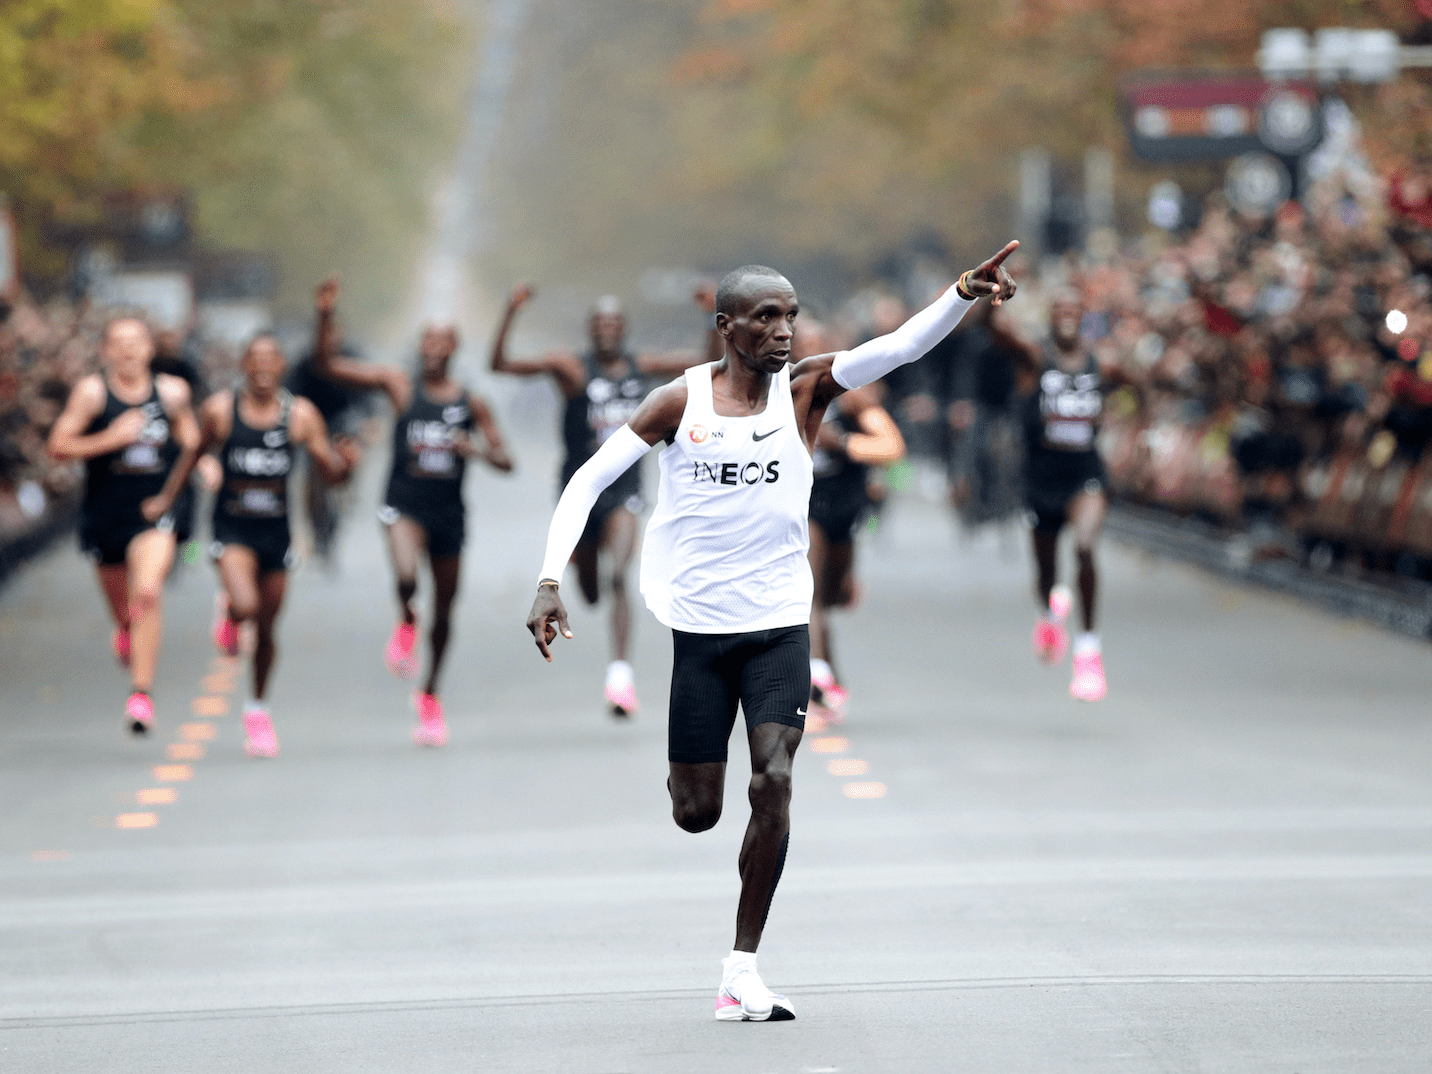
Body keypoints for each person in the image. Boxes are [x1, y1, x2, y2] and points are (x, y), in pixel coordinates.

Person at [525, 244, 1018, 1021]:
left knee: (775, 778)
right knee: (698, 811)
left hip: (781, 624)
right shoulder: (676, 405)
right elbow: (588, 480)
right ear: (725, 327)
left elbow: (898, 348)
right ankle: (692, 781)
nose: (783, 329)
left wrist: (962, 293)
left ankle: (741, 969)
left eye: (789, 315)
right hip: (700, 630)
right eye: (764, 317)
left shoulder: (808, 391)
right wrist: (551, 579)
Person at [490, 284, 718, 717]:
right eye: (598, 323)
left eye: (613, 323)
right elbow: (500, 365)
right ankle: (581, 561)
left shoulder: (641, 366)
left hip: (625, 489)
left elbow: (705, 367)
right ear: (590, 331)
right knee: (592, 592)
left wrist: (710, 319)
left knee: (619, 578)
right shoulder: (571, 368)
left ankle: (620, 676)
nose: (606, 330)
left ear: (623, 330)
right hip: (582, 488)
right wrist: (509, 312)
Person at [312, 278, 513, 746]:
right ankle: (406, 618)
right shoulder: (399, 387)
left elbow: (507, 460)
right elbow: (328, 366)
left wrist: (476, 450)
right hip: (403, 504)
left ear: (454, 350)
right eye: (427, 340)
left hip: (449, 514)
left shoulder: (470, 401)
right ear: (419, 347)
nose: (433, 348)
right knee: (406, 576)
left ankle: (430, 695)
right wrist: (325, 315)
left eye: (442, 342)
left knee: (445, 612)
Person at [173, 333, 355, 757]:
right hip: (231, 528)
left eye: (270, 361)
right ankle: (231, 610)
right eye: (254, 360)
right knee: (247, 605)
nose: (262, 369)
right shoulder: (220, 410)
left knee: (269, 629)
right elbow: (191, 457)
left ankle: (257, 710)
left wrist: (345, 467)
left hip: (276, 532)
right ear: (243, 365)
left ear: (281, 367)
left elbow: (329, 473)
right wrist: (166, 501)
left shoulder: (300, 416)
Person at [47, 315, 200, 734]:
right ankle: (126, 631)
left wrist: (198, 466)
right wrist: (110, 439)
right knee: (126, 611)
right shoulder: (92, 393)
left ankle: (141, 695)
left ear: (150, 349)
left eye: (137, 342)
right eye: (119, 343)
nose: (129, 350)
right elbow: (58, 445)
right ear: (106, 351)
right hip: (106, 512)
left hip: (153, 512)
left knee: (147, 591)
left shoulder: (172, 393)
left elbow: (190, 438)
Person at [995, 288, 1130, 702]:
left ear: (1083, 317)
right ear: (1051, 318)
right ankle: (1049, 614)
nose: (1068, 316)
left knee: (1086, 548)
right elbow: (996, 335)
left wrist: (1127, 425)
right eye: (1061, 310)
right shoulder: (1036, 359)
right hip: (1041, 476)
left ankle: (1089, 650)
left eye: (1075, 310)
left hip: (1085, 471)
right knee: (1047, 568)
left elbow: (1138, 386)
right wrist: (987, 298)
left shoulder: (1101, 363)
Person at [798, 320, 905, 723]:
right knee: (808, 593)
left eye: (816, 347)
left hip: (844, 506)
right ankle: (820, 676)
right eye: (799, 348)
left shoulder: (851, 400)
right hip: (804, 508)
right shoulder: (785, 396)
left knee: (830, 597)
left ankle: (826, 665)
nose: (808, 355)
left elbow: (892, 447)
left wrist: (841, 444)